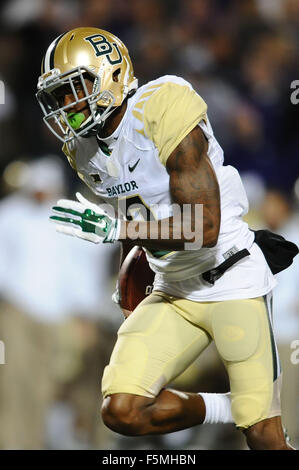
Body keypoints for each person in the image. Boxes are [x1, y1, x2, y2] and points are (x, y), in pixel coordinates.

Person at [36, 27, 293, 450]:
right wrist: (128, 272)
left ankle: (252, 412)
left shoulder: (161, 105)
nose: (67, 106)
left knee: (265, 438)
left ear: (110, 75)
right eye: (59, 96)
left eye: (74, 89)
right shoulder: (82, 149)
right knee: (122, 410)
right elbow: (132, 212)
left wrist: (116, 230)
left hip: (230, 275)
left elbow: (204, 228)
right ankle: (233, 407)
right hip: (173, 289)